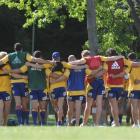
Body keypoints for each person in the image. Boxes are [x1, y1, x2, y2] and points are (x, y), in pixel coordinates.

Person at [0, 43, 52, 125]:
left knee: (18, 104)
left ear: (14, 49)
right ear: (22, 49)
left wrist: (8, 71)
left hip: (14, 82)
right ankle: (26, 122)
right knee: (25, 104)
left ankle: (20, 123)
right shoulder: (25, 55)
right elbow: (35, 59)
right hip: (24, 82)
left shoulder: (9, 56)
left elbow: (1, 62)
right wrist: (50, 62)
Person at [70, 50, 123, 126]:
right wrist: (120, 57)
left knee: (88, 105)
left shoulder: (86, 61)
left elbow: (90, 73)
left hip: (92, 84)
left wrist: (67, 63)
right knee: (99, 105)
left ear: (83, 56)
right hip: (101, 84)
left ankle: (84, 124)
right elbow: (110, 59)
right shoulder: (99, 58)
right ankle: (97, 124)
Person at [12, 51, 52, 125]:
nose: (39, 59)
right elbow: (20, 70)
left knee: (42, 108)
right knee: (34, 107)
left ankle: (42, 122)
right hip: (33, 89)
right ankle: (34, 123)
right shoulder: (28, 66)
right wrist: (11, 71)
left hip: (42, 89)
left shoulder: (44, 65)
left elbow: (49, 73)